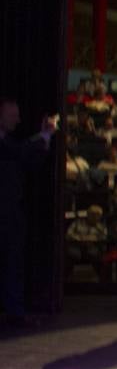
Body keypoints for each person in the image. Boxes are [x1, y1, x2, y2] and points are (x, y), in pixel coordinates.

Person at [1, 99, 58, 327]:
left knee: (13, 261)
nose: (18, 119)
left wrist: (44, 137)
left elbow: (28, 158)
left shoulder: (10, 142)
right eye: (13, 115)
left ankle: (15, 311)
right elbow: (19, 151)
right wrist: (43, 136)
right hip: (5, 212)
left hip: (11, 212)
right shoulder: (7, 145)